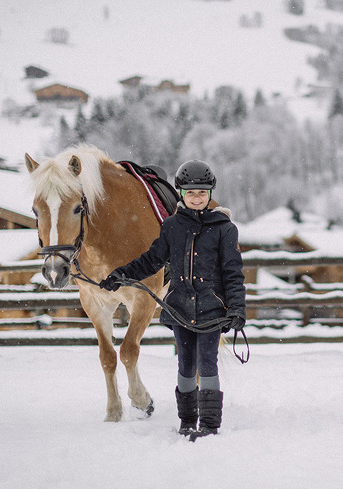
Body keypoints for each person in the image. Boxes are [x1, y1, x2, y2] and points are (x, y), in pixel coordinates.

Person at [100, 159, 246, 440]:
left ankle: (210, 423)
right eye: (190, 193)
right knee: (185, 366)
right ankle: (188, 421)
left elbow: (233, 274)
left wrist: (237, 309)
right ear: (180, 194)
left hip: (212, 310)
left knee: (208, 364)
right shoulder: (171, 227)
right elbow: (151, 260)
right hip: (179, 309)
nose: (196, 198)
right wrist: (120, 274)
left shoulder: (225, 229)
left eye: (202, 193)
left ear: (210, 194)